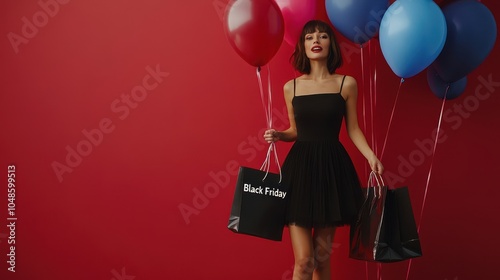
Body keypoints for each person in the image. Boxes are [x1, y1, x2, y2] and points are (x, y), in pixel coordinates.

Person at [263, 20, 383, 280]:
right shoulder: (291, 87)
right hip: (300, 173)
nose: (315, 41)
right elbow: (295, 130)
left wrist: (371, 156)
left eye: (322, 36)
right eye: (308, 38)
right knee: (304, 261)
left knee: (320, 259)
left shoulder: (346, 84)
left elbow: (353, 129)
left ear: (331, 45)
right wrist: (280, 135)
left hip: (332, 172)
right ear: (303, 47)